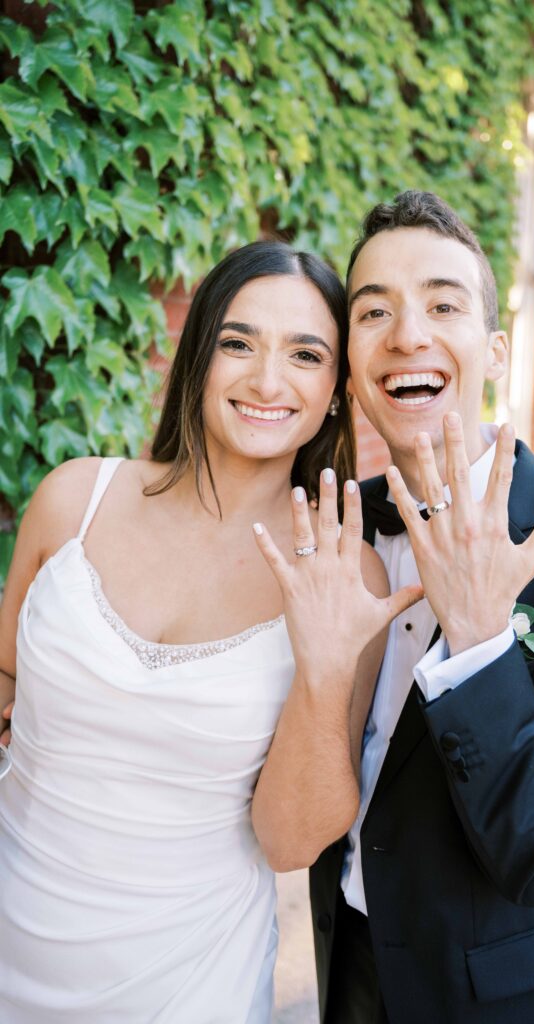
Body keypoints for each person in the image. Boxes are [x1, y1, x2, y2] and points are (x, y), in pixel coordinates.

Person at [0, 240, 420, 1022]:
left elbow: (291, 843)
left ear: (334, 390)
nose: (266, 380)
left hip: (188, 979)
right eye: (238, 343)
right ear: (198, 357)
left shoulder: (347, 572)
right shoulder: (72, 500)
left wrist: (325, 665)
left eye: (304, 353)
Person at [309, 191, 534, 1024]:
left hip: (500, 1002)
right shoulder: (331, 528)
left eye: (443, 304)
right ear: (350, 361)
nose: (408, 334)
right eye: (374, 313)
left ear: (494, 350)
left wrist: (478, 644)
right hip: (348, 970)